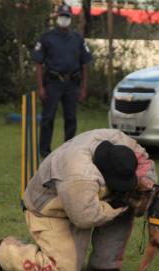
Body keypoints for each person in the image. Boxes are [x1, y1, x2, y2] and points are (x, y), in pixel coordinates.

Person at [0, 129, 157, 271]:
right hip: (48, 210)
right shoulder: (79, 174)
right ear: (104, 174)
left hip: (83, 200)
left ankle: (105, 266)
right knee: (64, 270)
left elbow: (146, 164)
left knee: (125, 201)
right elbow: (84, 217)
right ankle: (4, 252)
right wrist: (120, 206)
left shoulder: (121, 142)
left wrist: (144, 187)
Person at [32, 4, 92, 159]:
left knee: (71, 118)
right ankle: (45, 151)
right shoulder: (47, 37)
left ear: (70, 18)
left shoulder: (77, 38)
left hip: (72, 83)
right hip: (52, 82)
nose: (64, 19)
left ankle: (68, 150)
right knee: (48, 118)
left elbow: (85, 64)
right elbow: (38, 63)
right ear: (56, 16)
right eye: (62, 15)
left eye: (67, 16)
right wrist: (40, 87)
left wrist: (84, 87)